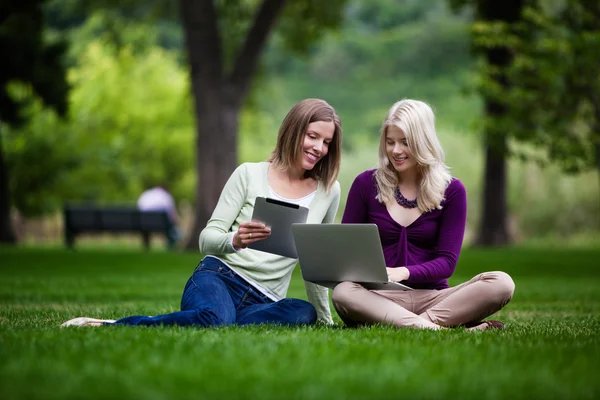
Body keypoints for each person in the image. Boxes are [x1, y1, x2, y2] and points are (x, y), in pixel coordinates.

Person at [61, 98, 342, 328]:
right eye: (312, 136)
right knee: (214, 318)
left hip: (266, 299)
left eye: (327, 142)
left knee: (303, 313)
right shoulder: (248, 174)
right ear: (293, 132)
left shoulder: (329, 191)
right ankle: (112, 325)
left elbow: (314, 263)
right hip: (219, 276)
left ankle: (221, 320)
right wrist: (235, 240)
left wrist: (325, 319)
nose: (319, 148)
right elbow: (206, 238)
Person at [332, 99, 515, 331]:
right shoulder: (365, 184)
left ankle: (410, 324)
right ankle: (442, 330)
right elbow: (348, 252)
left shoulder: (452, 190)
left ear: (423, 141)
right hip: (378, 298)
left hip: (436, 298)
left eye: (405, 142)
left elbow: (447, 263)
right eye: (390, 142)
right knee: (343, 292)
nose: (396, 151)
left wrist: (402, 272)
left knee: (501, 283)